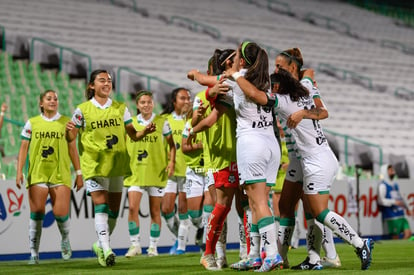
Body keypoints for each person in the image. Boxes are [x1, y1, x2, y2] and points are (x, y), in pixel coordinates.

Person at [229, 64, 374, 271]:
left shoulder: (284, 101)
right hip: (315, 158)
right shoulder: (304, 91)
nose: (271, 89)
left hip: (316, 161)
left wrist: (235, 76)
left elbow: (257, 96)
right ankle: (309, 258)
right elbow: (310, 76)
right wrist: (304, 80)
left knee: (319, 212)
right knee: (294, 207)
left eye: (273, 85)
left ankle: (360, 243)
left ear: (280, 86)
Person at [65, 69, 147, 267]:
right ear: (92, 86)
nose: (107, 83)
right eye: (102, 80)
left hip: (117, 164)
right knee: (101, 206)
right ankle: (107, 249)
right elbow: (71, 138)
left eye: (109, 80)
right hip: (94, 165)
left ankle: (100, 245)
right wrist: (68, 133)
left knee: (113, 212)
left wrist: (145, 131)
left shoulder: (121, 108)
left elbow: (133, 135)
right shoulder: (82, 109)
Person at [271, 48, 341, 270]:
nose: (275, 70)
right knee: (288, 205)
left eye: (279, 67)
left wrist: (302, 113)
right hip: (296, 157)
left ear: (292, 68)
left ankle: (326, 255)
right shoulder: (289, 86)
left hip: (308, 157)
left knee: (313, 209)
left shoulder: (306, 87)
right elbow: (308, 71)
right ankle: (308, 256)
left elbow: (321, 108)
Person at [188, 49, 242, 270]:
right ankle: (214, 253)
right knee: (222, 206)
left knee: (243, 206)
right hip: (218, 158)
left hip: (241, 154)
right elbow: (199, 120)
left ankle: (248, 252)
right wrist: (195, 125)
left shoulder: (239, 85)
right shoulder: (212, 91)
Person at [16, 90, 83, 265]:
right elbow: (23, 148)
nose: (53, 101)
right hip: (37, 173)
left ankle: (65, 238)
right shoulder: (32, 123)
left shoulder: (66, 122)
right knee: (37, 213)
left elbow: (72, 147)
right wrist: (19, 172)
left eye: (55, 98)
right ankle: (33, 253)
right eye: (49, 98)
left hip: (60, 173)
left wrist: (79, 172)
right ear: (41, 103)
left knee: (61, 213)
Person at [124, 90, 176, 257]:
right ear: (137, 105)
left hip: (156, 171)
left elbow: (172, 145)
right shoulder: (130, 123)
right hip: (135, 172)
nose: (146, 105)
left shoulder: (162, 121)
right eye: (143, 102)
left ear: (153, 104)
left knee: (155, 211)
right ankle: (135, 245)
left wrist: (171, 162)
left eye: (149, 102)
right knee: (132, 208)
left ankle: (153, 246)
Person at [161, 87, 192, 255]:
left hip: (188, 170)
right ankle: (181, 236)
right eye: (183, 98)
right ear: (174, 101)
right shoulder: (164, 120)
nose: (187, 101)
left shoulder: (193, 120)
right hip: (170, 170)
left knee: (183, 209)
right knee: (166, 209)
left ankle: (180, 247)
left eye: (188, 98)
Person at [377, 164, 412, 239]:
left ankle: (403, 247)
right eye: (390, 170)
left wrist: (408, 209)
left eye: (392, 169)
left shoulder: (395, 185)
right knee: (395, 237)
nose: (392, 171)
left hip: (400, 214)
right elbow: (381, 200)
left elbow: (401, 199)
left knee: (408, 233)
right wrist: (393, 202)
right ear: (385, 172)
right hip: (391, 216)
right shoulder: (383, 185)